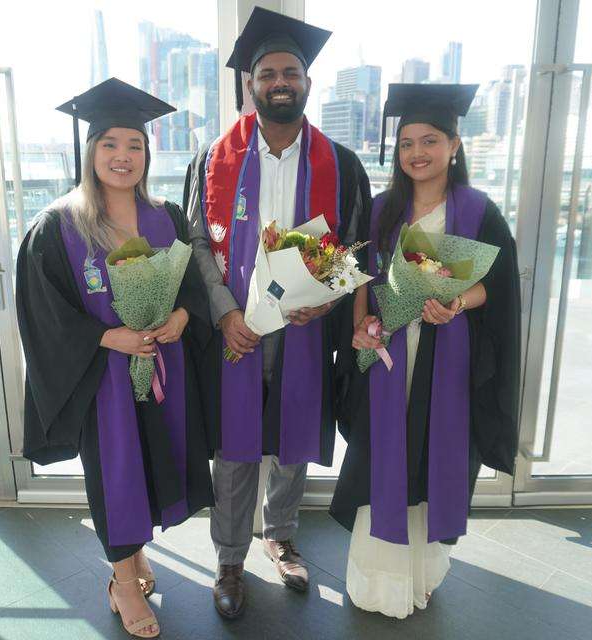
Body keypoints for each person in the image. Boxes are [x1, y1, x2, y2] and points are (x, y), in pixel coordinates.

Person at [183, 7, 371, 620]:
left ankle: (281, 534)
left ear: (308, 83)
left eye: (290, 71)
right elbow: (194, 246)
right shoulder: (214, 159)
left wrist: (328, 299)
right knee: (236, 447)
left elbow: (354, 247)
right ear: (251, 85)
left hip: (305, 333)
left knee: (292, 438)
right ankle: (230, 557)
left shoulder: (340, 164)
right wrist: (223, 313)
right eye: (267, 73)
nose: (279, 80)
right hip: (237, 327)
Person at [16, 78, 214, 638]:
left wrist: (179, 318)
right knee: (119, 476)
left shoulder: (167, 216)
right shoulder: (58, 225)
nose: (123, 156)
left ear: (148, 153)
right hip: (100, 381)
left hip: (161, 372)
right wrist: (108, 338)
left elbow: (192, 286)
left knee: (153, 468)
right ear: (90, 152)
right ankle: (123, 583)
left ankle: (135, 560)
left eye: (135, 145)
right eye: (109, 144)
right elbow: (42, 311)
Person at [329, 83, 521, 619]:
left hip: (447, 359)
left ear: (454, 144)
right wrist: (360, 323)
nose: (417, 152)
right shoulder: (382, 208)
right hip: (389, 356)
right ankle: (379, 579)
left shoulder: (479, 211)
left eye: (430, 140)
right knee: (384, 457)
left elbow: (499, 288)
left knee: (431, 459)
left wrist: (457, 302)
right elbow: (358, 274)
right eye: (407, 142)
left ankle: (422, 571)